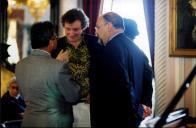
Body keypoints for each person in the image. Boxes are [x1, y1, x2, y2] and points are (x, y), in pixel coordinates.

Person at [15, 21, 81, 127]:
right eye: (55, 37)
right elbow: (74, 96)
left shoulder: (20, 64)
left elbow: (24, 95)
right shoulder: (59, 66)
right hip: (54, 123)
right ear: (51, 42)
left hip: (29, 121)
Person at [90, 12, 142, 128]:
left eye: (98, 27)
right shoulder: (135, 48)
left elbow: (121, 84)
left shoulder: (110, 48)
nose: (96, 32)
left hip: (113, 117)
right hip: (130, 116)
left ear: (108, 26)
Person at [51, 8, 99, 127]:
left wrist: (95, 91)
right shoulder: (57, 45)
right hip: (62, 103)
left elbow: (103, 71)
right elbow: (48, 74)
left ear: (83, 27)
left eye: (76, 29)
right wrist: (56, 62)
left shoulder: (95, 43)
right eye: (68, 29)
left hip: (89, 103)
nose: (71, 33)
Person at [124, 18, 153, 125]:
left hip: (133, 107)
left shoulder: (133, 52)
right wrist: (147, 105)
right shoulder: (139, 52)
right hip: (137, 106)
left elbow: (147, 77)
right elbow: (148, 76)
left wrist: (145, 106)